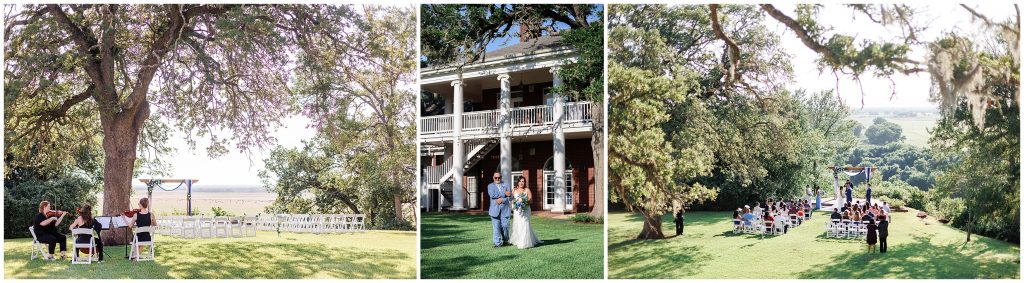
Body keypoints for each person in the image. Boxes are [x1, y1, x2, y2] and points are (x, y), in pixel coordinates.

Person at [508, 177, 541, 248]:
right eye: (520, 181)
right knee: (517, 224)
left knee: (525, 224)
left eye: (523, 181)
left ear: (525, 182)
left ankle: (524, 242)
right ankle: (517, 240)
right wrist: (510, 194)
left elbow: (531, 200)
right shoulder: (514, 190)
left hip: (526, 210)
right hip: (517, 211)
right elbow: (511, 199)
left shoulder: (527, 190)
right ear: (518, 182)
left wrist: (525, 202)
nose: (521, 183)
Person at [487, 172, 512, 248]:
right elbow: (492, 195)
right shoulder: (490, 186)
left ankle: (506, 240)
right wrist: (504, 194)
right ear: (493, 178)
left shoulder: (506, 185)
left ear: (501, 177)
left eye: (499, 177)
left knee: (505, 226)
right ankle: (497, 243)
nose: (497, 179)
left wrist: (502, 199)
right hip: (494, 210)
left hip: (505, 209)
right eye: (496, 178)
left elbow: (510, 198)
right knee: (496, 227)